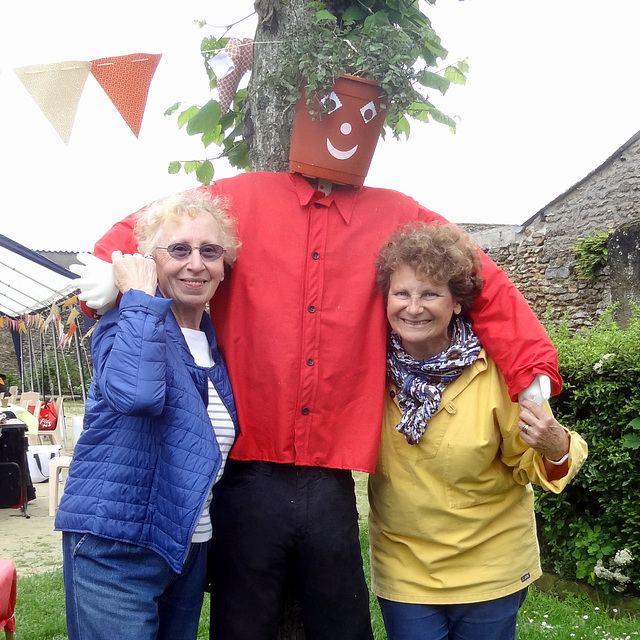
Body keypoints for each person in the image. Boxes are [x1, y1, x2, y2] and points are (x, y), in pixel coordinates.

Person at [72, 79, 562, 640]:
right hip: (247, 474)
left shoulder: (397, 212)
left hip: (332, 478)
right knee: (242, 622)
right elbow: (151, 227)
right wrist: (113, 268)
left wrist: (531, 371)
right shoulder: (240, 198)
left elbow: (482, 281)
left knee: (342, 621)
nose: (346, 128)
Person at [368, 222, 588, 640]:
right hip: (405, 566)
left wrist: (556, 446)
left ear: (456, 304)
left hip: (490, 566)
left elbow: (531, 462)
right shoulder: (368, 370)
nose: (413, 307)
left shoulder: (499, 372)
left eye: (430, 294)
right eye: (402, 293)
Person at [55, 193, 240, 640]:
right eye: (179, 250)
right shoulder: (124, 321)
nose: (196, 263)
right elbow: (137, 394)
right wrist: (137, 294)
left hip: (185, 548)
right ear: (150, 260)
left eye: (209, 251)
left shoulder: (213, 343)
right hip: (117, 547)